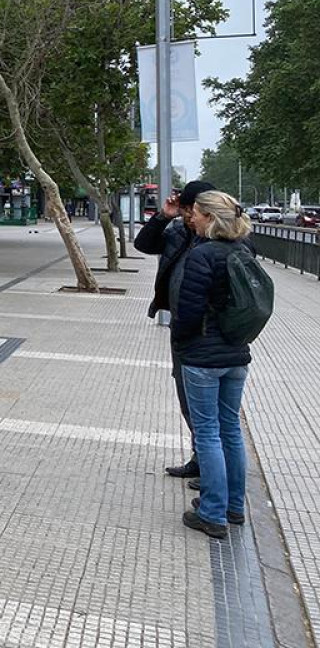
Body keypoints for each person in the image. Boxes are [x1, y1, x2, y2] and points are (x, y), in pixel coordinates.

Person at [171, 191, 254, 539]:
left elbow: (188, 312)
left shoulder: (203, 254)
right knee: (230, 430)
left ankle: (212, 512)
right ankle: (234, 506)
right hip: (236, 353)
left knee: (207, 433)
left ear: (210, 217)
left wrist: (181, 342)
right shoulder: (245, 252)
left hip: (203, 356)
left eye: (199, 214)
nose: (194, 219)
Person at [134, 179, 215, 479]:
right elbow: (143, 244)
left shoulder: (222, 240)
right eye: (185, 211)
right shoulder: (179, 231)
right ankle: (201, 460)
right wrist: (163, 216)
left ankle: (214, 478)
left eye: (189, 211)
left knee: (211, 414)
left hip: (207, 336)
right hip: (183, 329)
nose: (188, 217)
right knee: (188, 400)